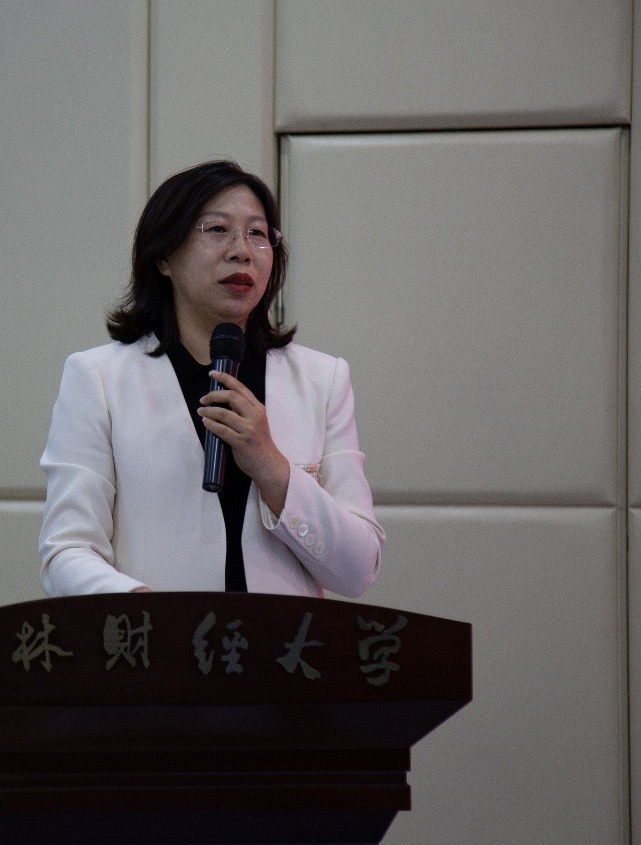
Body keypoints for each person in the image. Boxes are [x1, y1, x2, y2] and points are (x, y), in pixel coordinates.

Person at [39, 160, 383, 597]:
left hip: (282, 641)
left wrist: (272, 467)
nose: (242, 251)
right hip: (159, 639)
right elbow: (66, 552)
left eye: (258, 234)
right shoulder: (99, 379)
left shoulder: (322, 380)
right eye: (217, 229)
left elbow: (358, 570)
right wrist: (145, 613)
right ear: (164, 255)